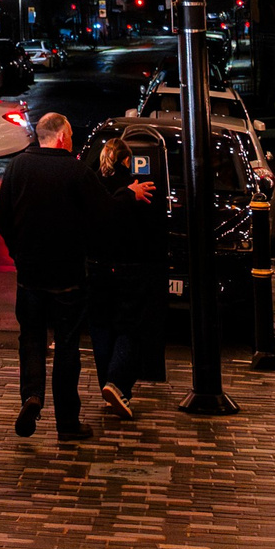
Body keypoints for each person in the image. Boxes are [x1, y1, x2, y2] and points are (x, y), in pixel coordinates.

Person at [0, 110, 104, 442]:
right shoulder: (77, 171)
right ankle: (67, 422)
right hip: (68, 276)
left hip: (29, 274)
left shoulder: (17, 167)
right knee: (67, 344)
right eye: (70, 136)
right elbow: (102, 215)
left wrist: (17, 251)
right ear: (61, 137)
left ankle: (32, 395)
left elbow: (1, 217)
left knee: (31, 337)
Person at [83, 133, 164, 422]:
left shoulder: (93, 184)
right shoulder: (136, 187)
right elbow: (152, 227)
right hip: (129, 266)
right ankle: (116, 383)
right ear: (128, 160)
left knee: (101, 327)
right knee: (131, 326)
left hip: (96, 266)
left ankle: (108, 385)